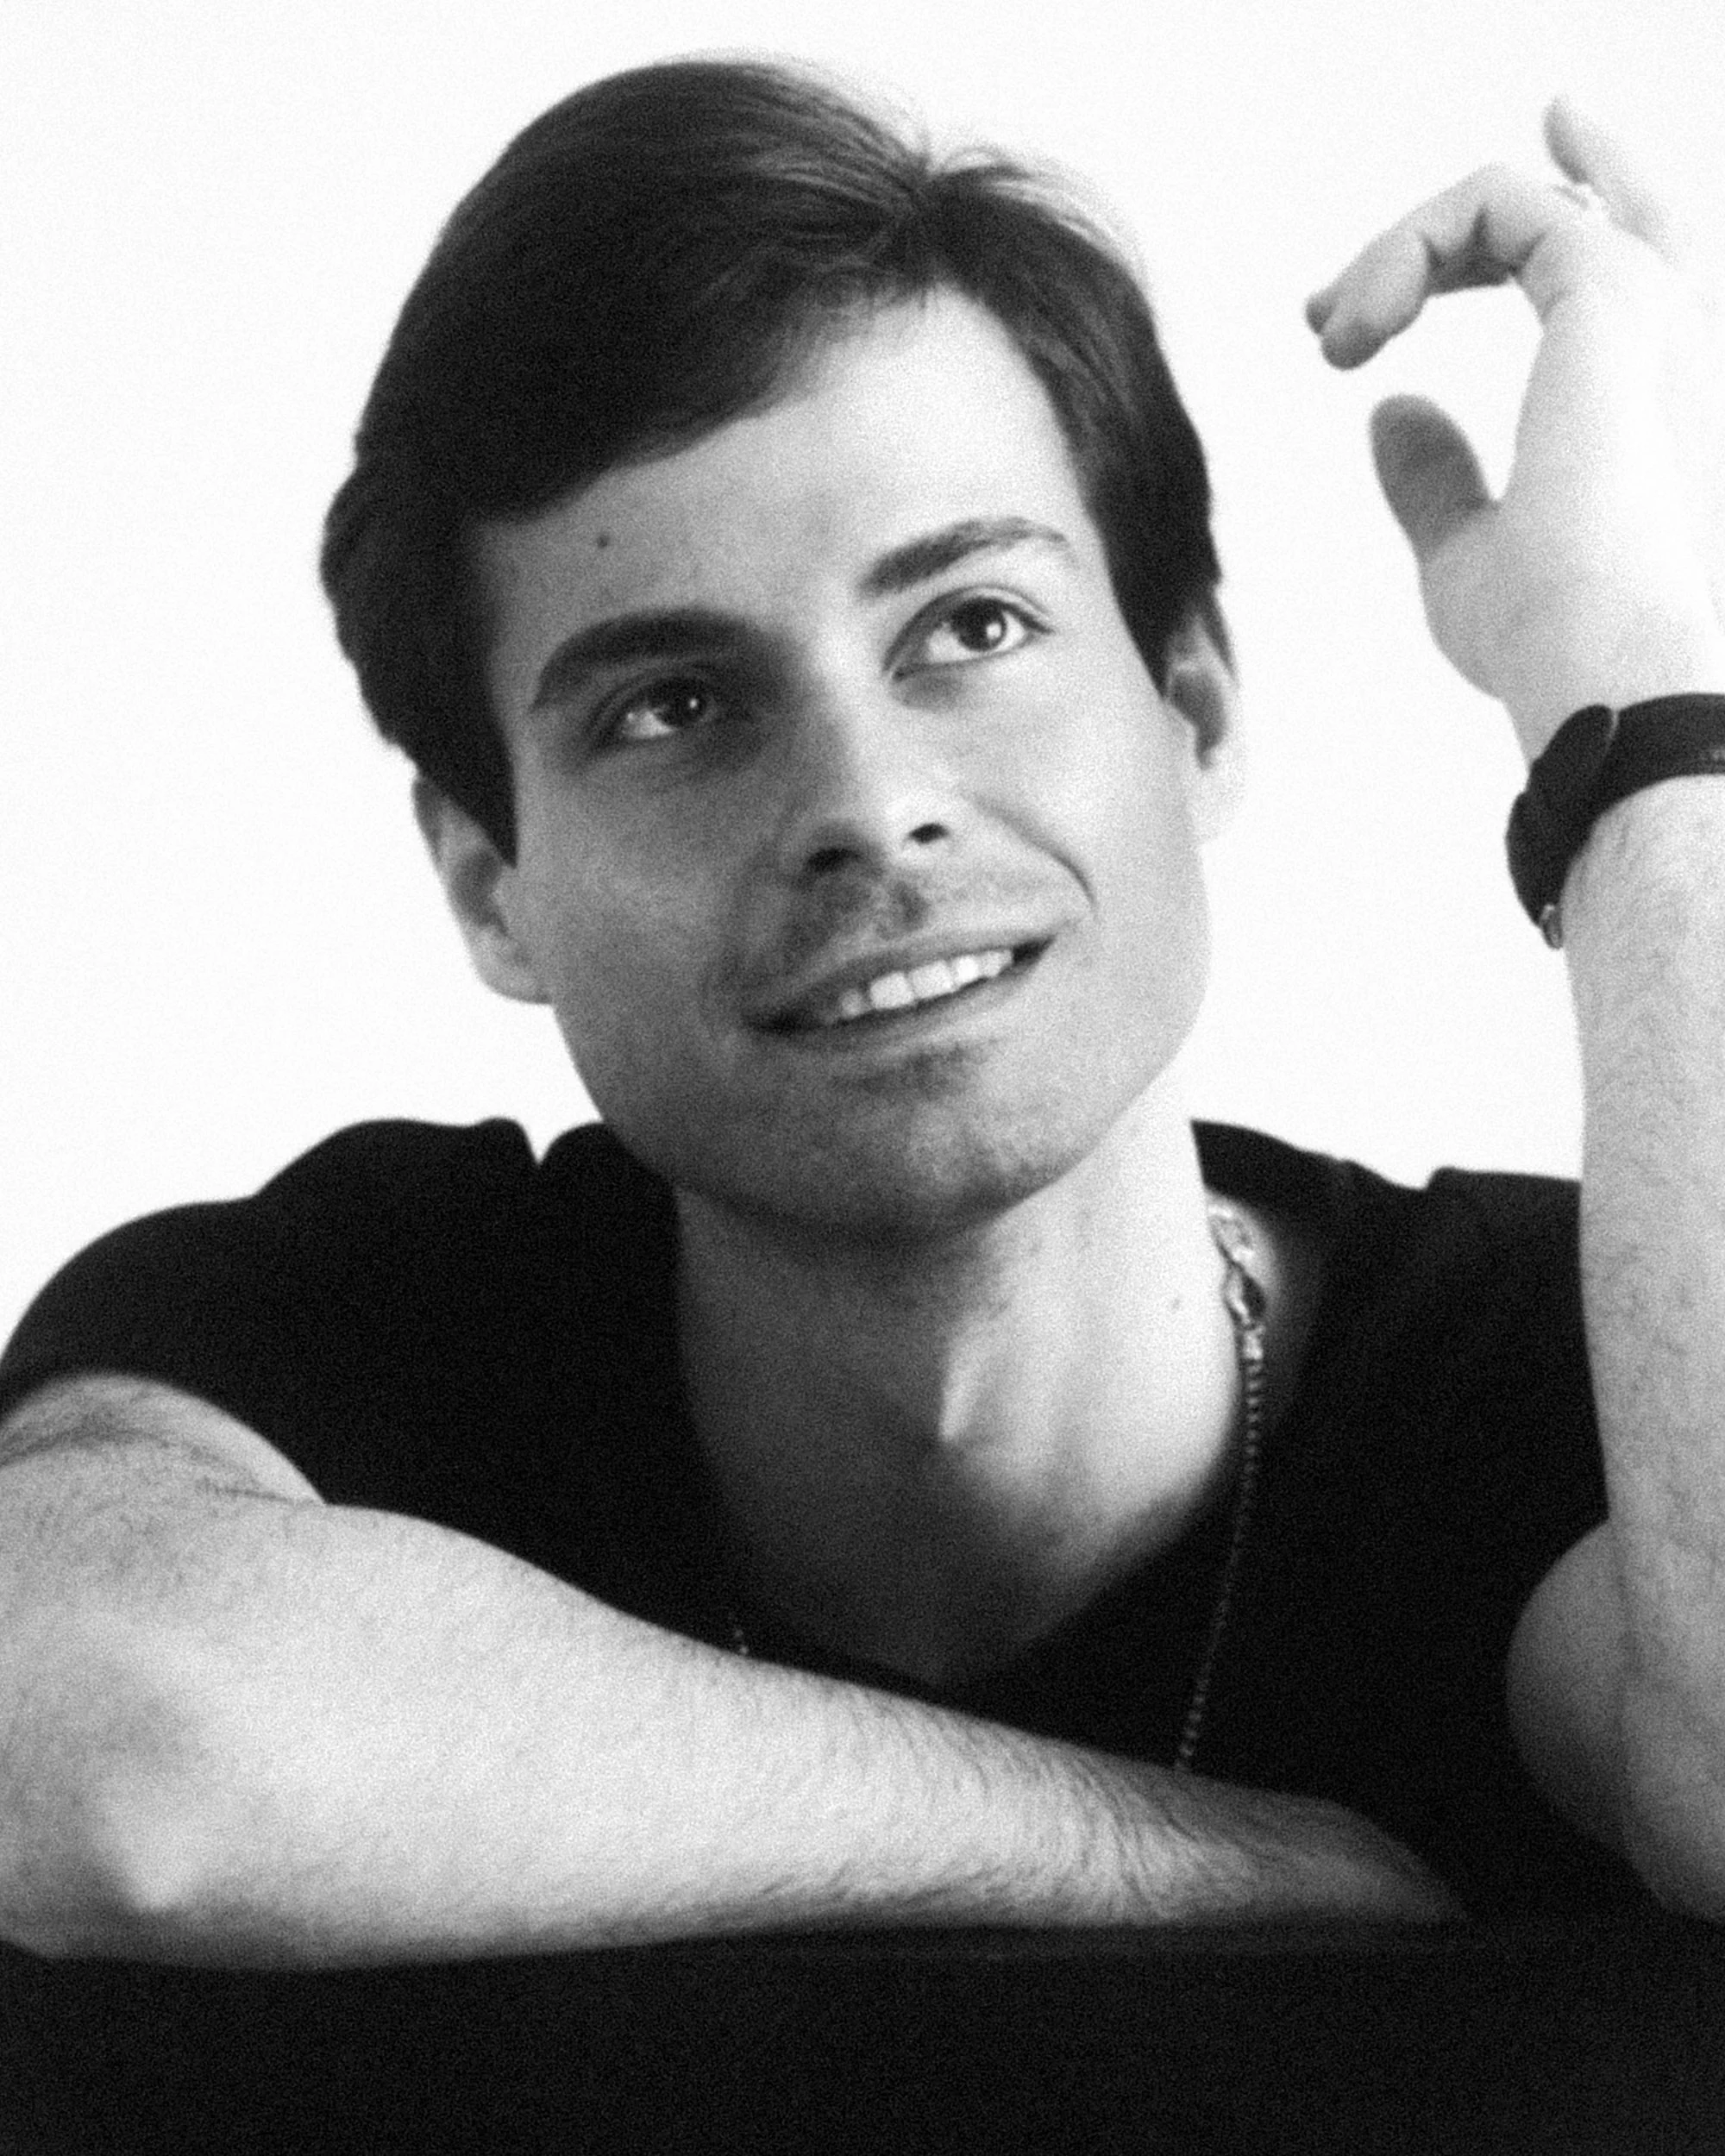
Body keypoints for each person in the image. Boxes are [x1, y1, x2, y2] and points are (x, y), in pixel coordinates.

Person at [2, 56, 1722, 1968]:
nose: (864, 802)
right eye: (670, 706)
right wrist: (1175, 1855)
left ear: (1195, 712)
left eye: (973, 626)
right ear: (493, 883)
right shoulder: (365, 1339)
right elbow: (104, 1742)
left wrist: (1634, 706)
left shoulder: (1554, 1365)